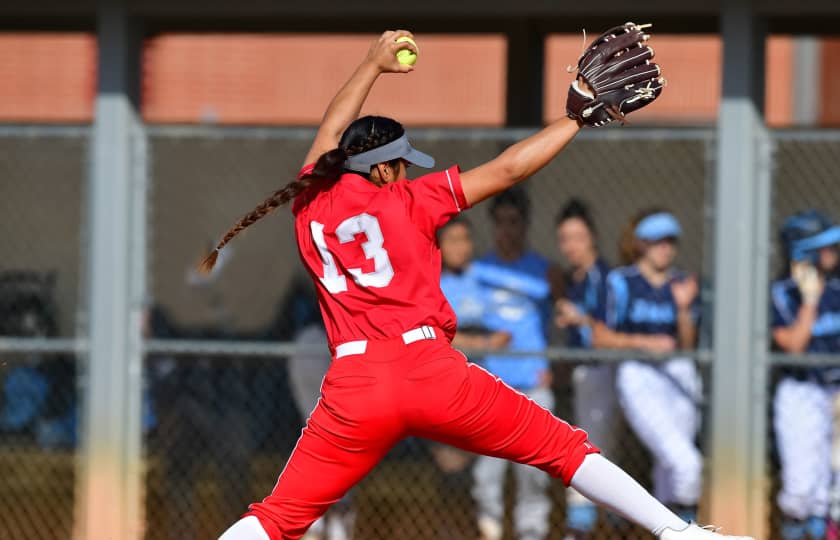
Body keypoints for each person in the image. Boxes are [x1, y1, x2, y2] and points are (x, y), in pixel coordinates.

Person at [203, 30, 750, 540]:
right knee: (562, 449)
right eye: (401, 165)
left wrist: (370, 64)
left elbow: (328, 132)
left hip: (354, 385)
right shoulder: (408, 201)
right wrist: (575, 120)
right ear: (382, 170)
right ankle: (677, 533)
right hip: (429, 372)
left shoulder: (308, 204)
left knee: (277, 516)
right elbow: (510, 169)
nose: (407, 173)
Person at [592, 209, 703, 524]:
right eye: (657, 242)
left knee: (669, 470)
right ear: (641, 244)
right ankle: (687, 528)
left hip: (677, 372)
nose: (664, 248)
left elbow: (687, 344)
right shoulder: (621, 281)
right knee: (686, 463)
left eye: (670, 241)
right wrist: (645, 342)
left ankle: (668, 525)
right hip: (638, 373)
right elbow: (600, 337)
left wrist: (683, 309)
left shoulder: (681, 283)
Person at [466, 187, 554, 540]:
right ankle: (490, 528)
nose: (507, 230)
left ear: (526, 225)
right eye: (500, 223)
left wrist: (555, 363)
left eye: (514, 222)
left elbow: (557, 323)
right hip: (491, 387)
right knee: (488, 472)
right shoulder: (477, 271)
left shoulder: (544, 272)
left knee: (534, 470)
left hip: (534, 383)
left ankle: (531, 533)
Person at [770, 210, 840, 540]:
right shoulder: (783, 293)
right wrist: (810, 300)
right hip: (800, 393)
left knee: (826, 495)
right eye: (824, 247)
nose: (833, 252)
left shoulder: (838, 290)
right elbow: (794, 346)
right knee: (799, 491)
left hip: (836, 393)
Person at [553, 199, 617, 539]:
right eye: (564, 239)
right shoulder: (572, 278)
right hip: (582, 373)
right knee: (590, 446)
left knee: (592, 448)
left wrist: (579, 318)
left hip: (602, 371)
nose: (570, 246)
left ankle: (583, 527)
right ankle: (586, 523)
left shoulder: (604, 277)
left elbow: (608, 332)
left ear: (592, 237)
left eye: (577, 237)